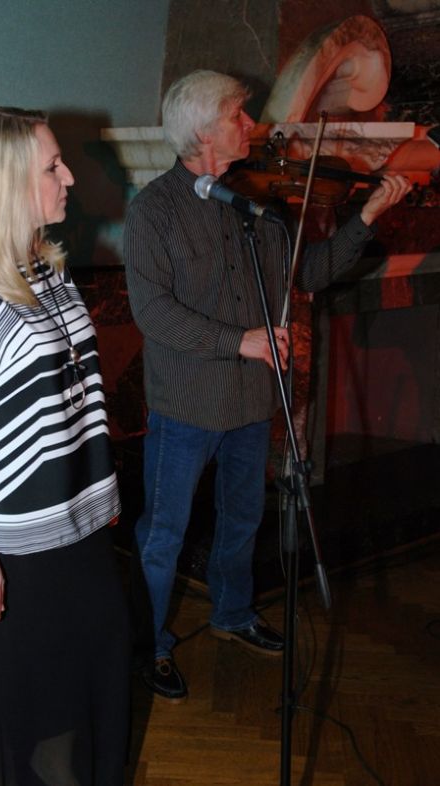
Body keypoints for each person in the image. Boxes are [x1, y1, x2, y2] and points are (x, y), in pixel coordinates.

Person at [123, 69, 411, 703]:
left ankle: (231, 613)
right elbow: (153, 312)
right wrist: (240, 340)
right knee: (164, 533)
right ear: (204, 131)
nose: (252, 126)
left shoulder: (253, 210)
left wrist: (365, 217)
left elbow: (306, 274)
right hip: (187, 406)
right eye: (238, 115)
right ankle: (150, 645)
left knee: (244, 517)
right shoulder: (152, 211)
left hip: (252, 402)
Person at [0, 108, 130, 786]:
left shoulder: (45, 265)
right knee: (31, 713)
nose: (68, 177)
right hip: (14, 544)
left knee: (99, 684)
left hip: (80, 524)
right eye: (51, 167)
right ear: (7, 181)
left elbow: (84, 394)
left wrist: (102, 495)